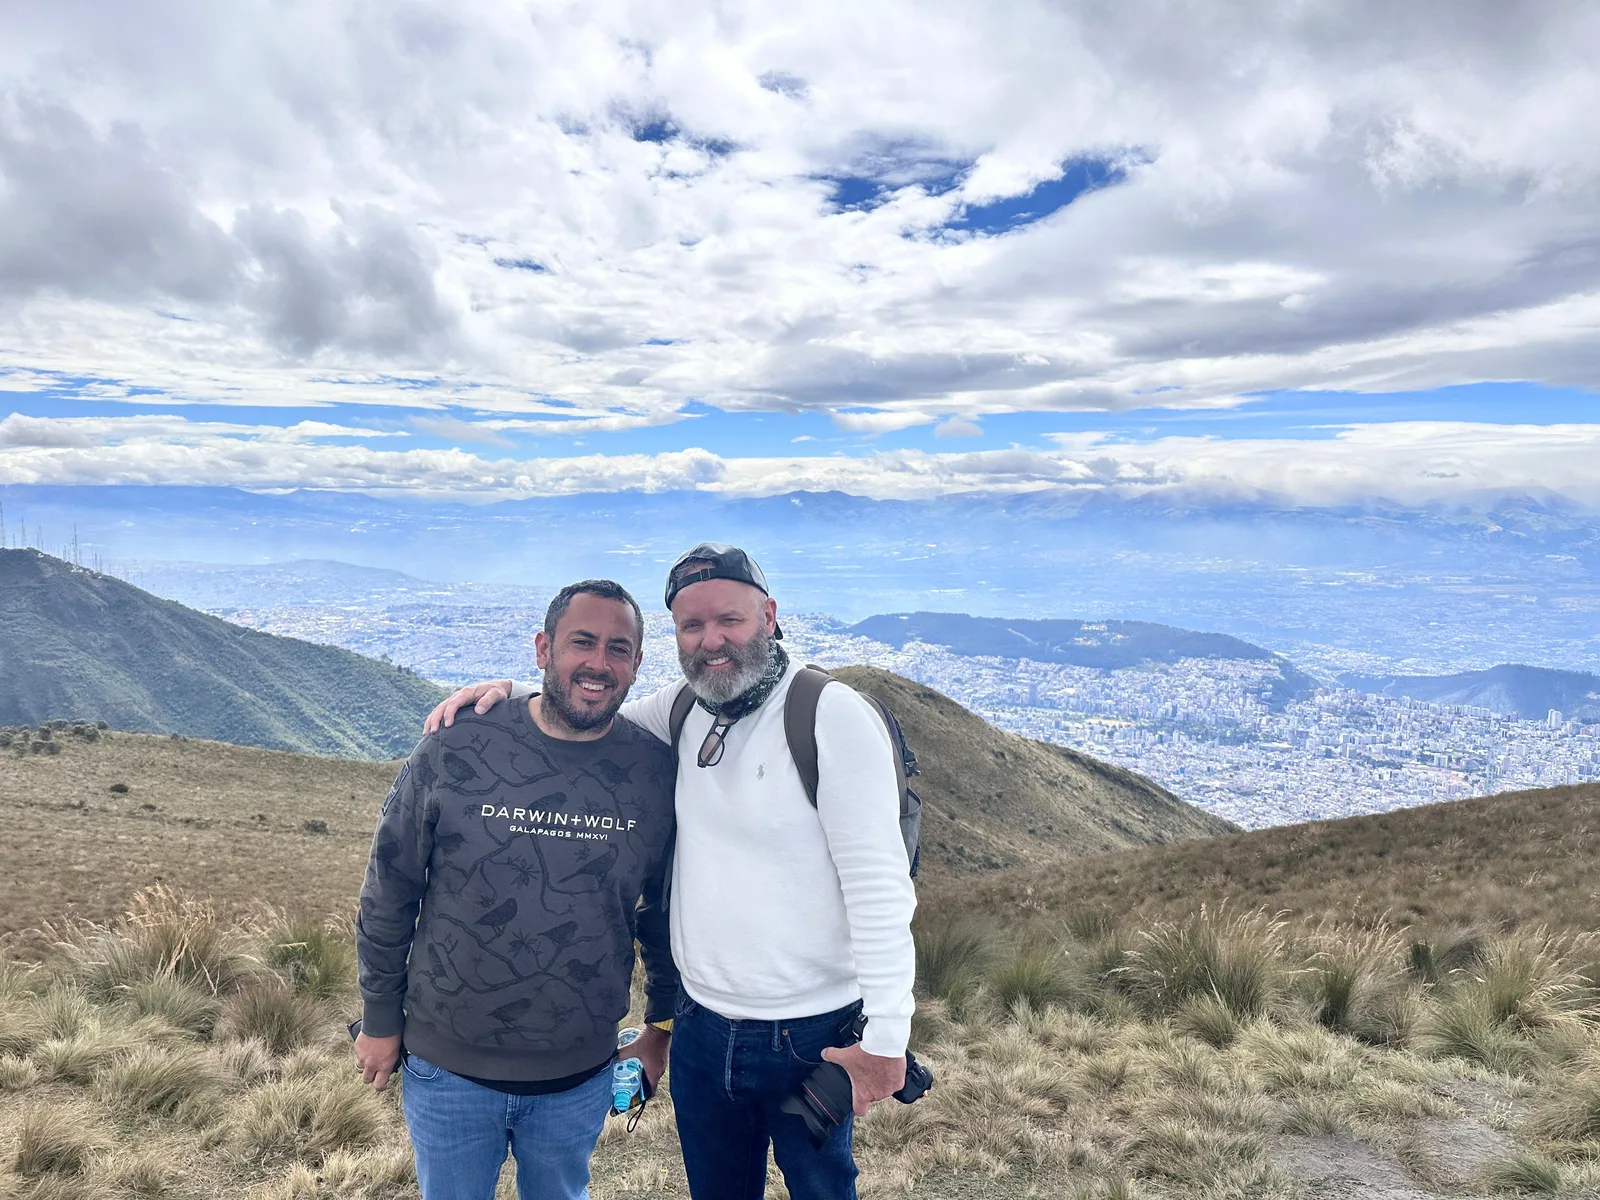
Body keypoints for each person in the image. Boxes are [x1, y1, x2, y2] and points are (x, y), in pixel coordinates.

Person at [426, 544, 916, 1200]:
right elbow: (595, 719)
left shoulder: (829, 716)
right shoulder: (686, 707)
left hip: (809, 1034)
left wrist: (887, 1040)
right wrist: (511, 692)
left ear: (769, 616)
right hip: (701, 1029)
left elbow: (880, 888)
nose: (712, 641)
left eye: (730, 621)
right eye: (693, 626)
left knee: (824, 1191)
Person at [357, 579, 678, 1200]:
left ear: (638, 664)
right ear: (542, 648)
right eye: (581, 642)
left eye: (619, 649)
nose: (598, 663)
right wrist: (378, 1018)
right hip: (445, 1064)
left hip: (579, 1072)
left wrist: (659, 1029)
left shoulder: (653, 771)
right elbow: (389, 888)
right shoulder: (456, 742)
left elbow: (664, 914)